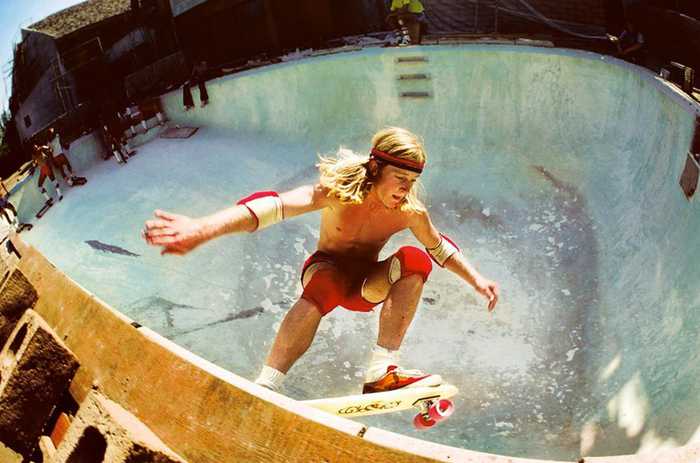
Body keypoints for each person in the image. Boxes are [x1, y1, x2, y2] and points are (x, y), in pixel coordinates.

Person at [142, 127, 499, 394]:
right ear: (376, 167)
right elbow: (272, 206)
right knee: (329, 282)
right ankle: (267, 384)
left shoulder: (410, 211)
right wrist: (202, 229)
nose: (406, 189)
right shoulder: (337, 192)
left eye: (413, 181)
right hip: (324, 271)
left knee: (415, 259)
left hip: (366, 287)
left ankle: (381, 371)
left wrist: (477, 280)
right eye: (400, 178)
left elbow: (440, 248)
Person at [31, 139, 62, 205]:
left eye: (35, 146)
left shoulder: (41, 148)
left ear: (37, 145)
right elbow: (34, 163)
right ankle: (48, 199)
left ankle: (59, 194)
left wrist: (49, 154)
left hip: (46, 167)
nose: (35, 148)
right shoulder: (34, 155)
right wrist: (33, 168)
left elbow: (50, 148)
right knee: (40, 185)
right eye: (34, 147)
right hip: (43, 170)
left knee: (53, 180)